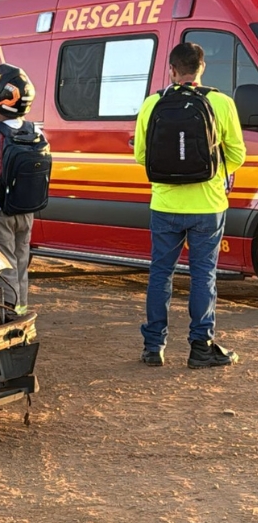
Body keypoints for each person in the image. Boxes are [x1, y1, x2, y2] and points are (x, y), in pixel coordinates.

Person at [134, 42, 246, 368]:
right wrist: (220, 172)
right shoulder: (221, 102)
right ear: (202, 68)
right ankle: (200, 348)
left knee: (160, 275)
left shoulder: (152, 103)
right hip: (208, 205)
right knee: (202, 276)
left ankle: (153, 348)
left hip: (165, 204)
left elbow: (142, 155)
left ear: (171, 70)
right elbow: (237, 153)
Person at [0, 63, 47, 318]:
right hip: (27, 209)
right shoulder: (36, 132)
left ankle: (7, 313)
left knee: (4, 263)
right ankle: (21, 308)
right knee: (21, 262)